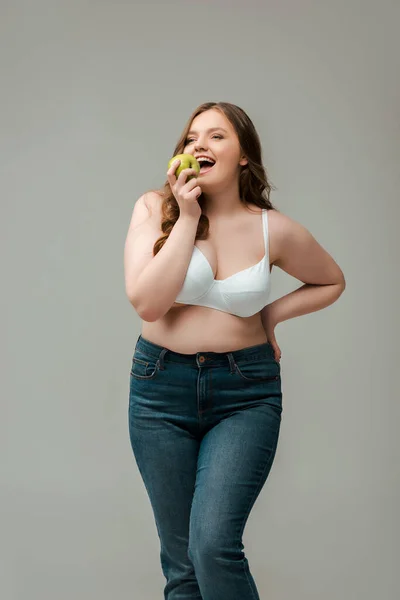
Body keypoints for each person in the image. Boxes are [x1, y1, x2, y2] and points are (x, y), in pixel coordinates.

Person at [123, 101, 346, 600]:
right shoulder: (152, 210)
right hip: (159, 392)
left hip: (245, 393)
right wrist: (186, 217)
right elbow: (148, 302)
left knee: (213, 546)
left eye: (217, 136)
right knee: (181, 565)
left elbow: (331, 280)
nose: (199, 144)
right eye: (191, 137)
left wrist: (269, 315)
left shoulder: (273, 228)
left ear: (244, 155)